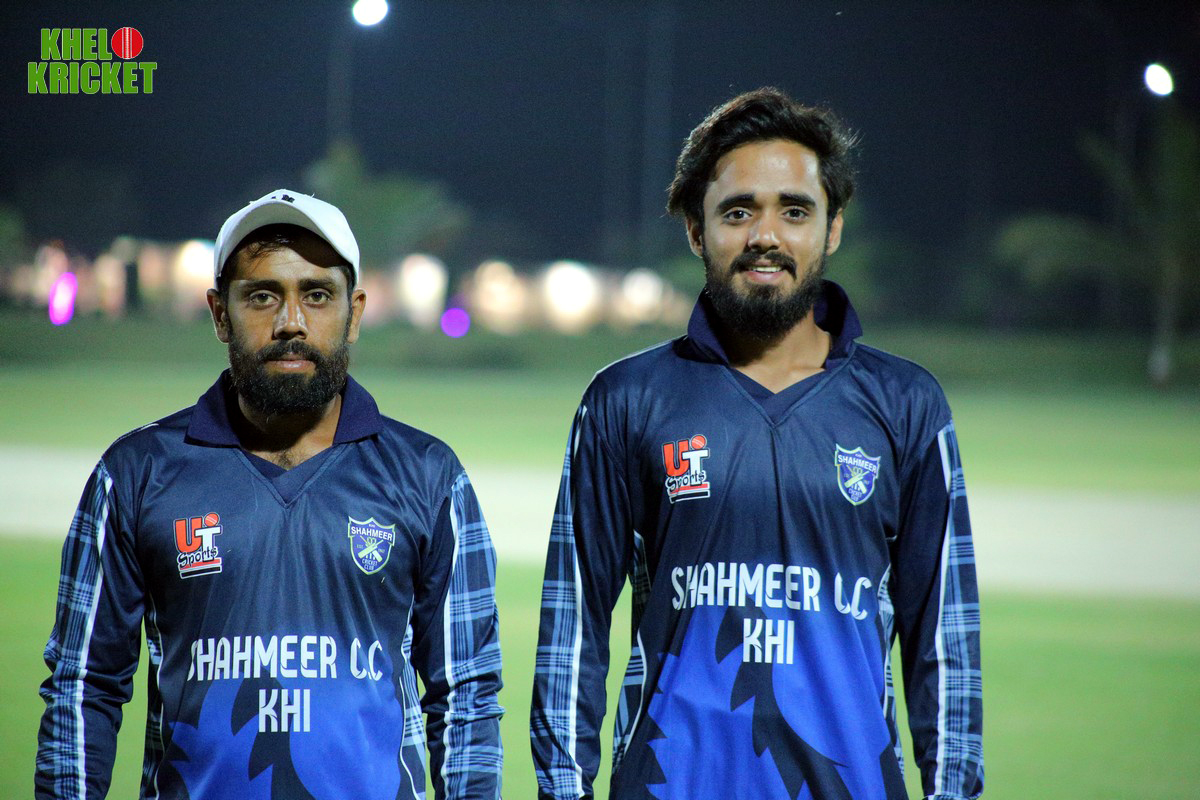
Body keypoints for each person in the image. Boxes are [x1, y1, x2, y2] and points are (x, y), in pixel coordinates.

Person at [530, 88, 983, 799]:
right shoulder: (626, 400)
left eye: (794, 211)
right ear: (696, 229)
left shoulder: (907, 404)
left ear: (832, 228)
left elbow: (944, 640)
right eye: (738, 211)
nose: (765, 235)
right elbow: (574, 622)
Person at [36, 190, 504, 799]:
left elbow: (466, 695)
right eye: (262, 296)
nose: (291, 322)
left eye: (318, 295)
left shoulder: (429, 476)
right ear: (219, 314)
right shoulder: (136, 474)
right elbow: (83, 688)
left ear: (355, 313)